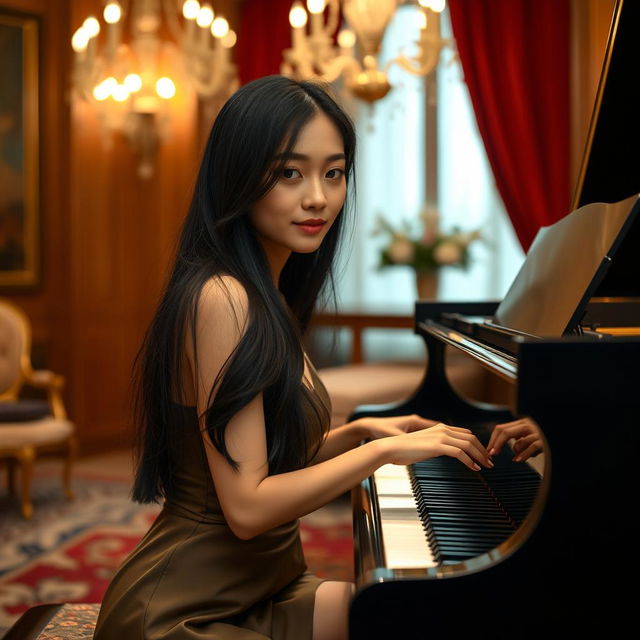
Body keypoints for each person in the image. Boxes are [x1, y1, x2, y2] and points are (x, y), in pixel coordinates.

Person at [93, 75, 494, 640]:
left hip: (265, 585)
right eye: (290, 172)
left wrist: (361, 434)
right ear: (239, 176)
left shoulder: (266, 296)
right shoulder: (223, 298)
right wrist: (382, 456)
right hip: (186, 612)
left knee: (413, 614)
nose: (319, 197)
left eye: (334, 173)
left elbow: (267, 458)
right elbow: (248, 507)